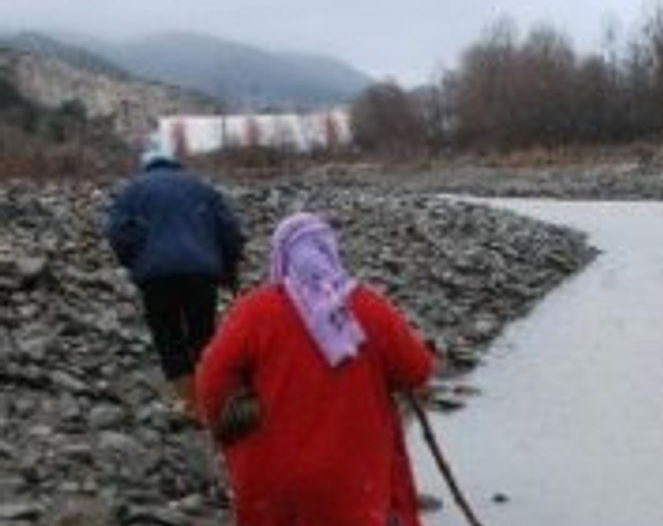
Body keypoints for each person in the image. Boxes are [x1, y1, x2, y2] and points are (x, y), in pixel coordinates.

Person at [196, 212, 436, 526]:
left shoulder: (254, 310)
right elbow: (416, 370)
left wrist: (232, 427)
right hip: (354, 475)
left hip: (271, 473)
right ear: (330, 251)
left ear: (280, 255)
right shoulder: (368, 306)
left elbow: (212, 379)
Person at [105, 142, 245, 419]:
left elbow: (117, 233)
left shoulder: (133, 190)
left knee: (167, 335)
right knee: (203, 334)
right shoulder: (200, 187)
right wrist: (229, 271)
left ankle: (189, 403)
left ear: (147, 164)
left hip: (155, 276)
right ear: (174, 162)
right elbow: (229, 231)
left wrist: (135, 260)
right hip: (202, 273)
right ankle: (210, 400)